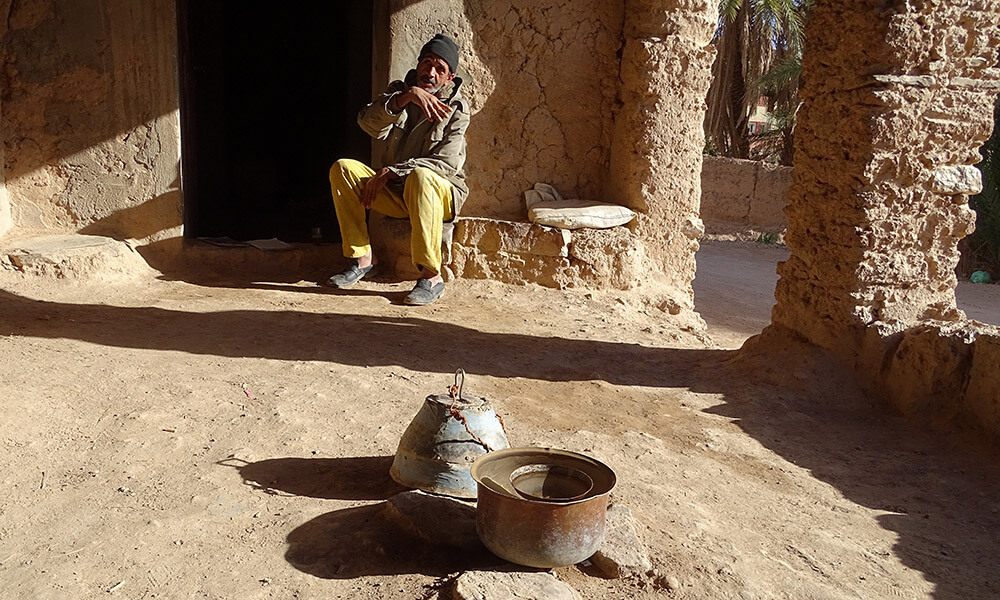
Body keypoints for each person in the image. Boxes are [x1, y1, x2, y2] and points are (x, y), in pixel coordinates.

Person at [326, 33, 470, 306]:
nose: (431, 72)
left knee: (421, 175)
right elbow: (368, 124)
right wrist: (404, 99)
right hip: (400, 194)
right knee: (343, 168)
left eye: (440, 68)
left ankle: (431, 276)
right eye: (427, 63)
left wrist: (392, 171)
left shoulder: (456, 109)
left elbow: (447, 164)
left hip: (440, 195)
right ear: (418, 66)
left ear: (449, 78)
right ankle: (364, 258)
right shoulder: (398, 92)